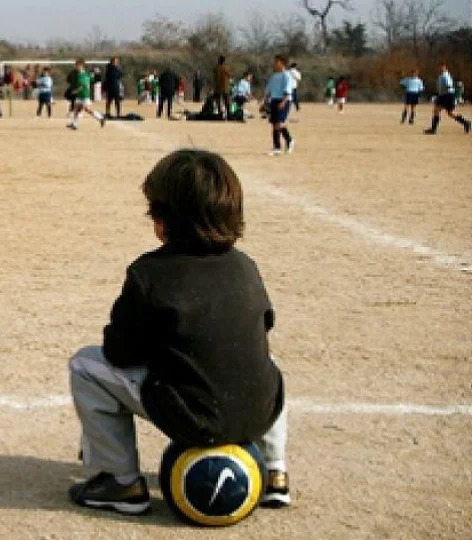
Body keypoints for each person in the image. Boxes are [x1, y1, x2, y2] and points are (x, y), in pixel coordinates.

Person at [67, 148, 290, 515]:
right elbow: (263, 326)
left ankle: (120, 482)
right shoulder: (246, 267)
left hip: (191, 418)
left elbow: (119, 353)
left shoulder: (149, 273)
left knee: (85, 365)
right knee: (265, 361)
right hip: (258, 414)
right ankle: (274, 470)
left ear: (164, 219)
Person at [424, 61, 471, 135]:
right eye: (439, 67)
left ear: (445, 67)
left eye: (441, 67)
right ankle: (466, 123)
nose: (439, 68)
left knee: (441, 111)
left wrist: (455, 90)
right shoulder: (442, 75)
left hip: (447, 95)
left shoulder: (446, 75)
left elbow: (449, 85)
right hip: (444, 95)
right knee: (445, 112)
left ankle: (433, 129)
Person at [265, 55, 295, 156]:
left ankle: (277, 147)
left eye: (276, 62)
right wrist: (265, 101)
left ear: (282, 63)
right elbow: (269, 90)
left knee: (278, 123)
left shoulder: (287, 75)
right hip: (274, 100)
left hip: (283, 100)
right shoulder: (274, 76)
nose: (274, 64)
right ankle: (288, 141)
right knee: (275, 124)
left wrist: (283, 101)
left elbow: (288, 90)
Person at [67, 58, 106, 131]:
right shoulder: (79, 74)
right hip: (79, 95)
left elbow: (83, 86)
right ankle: (75, 124)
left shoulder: (84, 74)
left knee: (87, 109)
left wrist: (75, 91)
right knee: (76, 109)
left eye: (78, 65)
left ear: (82, 66)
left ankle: (101, 118)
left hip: (85, 95)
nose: (76, 67)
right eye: (76, 65)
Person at [213, 55, 232, 119]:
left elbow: (214, 77)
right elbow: (230, 75)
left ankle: (220, 113)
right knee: (227, 101)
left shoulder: (216, 68)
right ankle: (229, 114)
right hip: (224, 87)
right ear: (224, 61)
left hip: (217, 87)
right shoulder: (225, 68)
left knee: (218, 101)